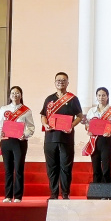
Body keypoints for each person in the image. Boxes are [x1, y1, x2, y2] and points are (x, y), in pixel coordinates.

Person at [41, 72, 83, 200]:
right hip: (50, 138)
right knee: (52, 168)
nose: (61, 82)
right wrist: (45, 124)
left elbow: (79, 116)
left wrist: (72, 125)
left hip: (66, 139)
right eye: (58, 80)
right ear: (55, 82)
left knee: (66, 167)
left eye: (64, 80)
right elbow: (43, 115)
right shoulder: (49, 99)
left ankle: (65, 194)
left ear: (68, 83)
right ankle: (53, 194)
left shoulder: (73, 99)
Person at [0, 85, 35, 203]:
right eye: (13, 93)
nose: (15, 95)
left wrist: (25, 134)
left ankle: (17, 196)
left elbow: (31, 127)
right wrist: (0, 133)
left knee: (18, 169)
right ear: (10, 95)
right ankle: (8, 196)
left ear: (21, 95)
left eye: (17, 93)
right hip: (6, 141)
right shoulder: (4, 109)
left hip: (20, 142)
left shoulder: (26, 110)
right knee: (8, 170)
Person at [83, 87, 111, 185]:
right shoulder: (92, 111)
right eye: (99, 95)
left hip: (106, 140)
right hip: (94, 140)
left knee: (106, 168)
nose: (101, 97)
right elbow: (87, 124)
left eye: (103, 95)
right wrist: (88, 129)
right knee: (96, 168)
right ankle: (96, 190)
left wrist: (110, 130)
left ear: (107, 97)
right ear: (96, 96)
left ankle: (107, 190)